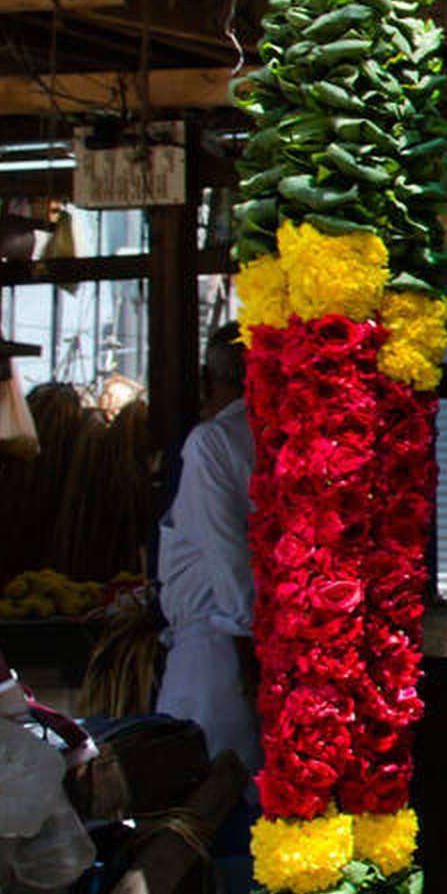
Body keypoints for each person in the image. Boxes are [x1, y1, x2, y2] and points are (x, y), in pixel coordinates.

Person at [155, 324, 259, 766]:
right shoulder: (267, 435)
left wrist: (245, 646)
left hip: (220, 652)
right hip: (247, 647)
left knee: (204, 800)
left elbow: (229, 554)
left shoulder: (212, 442)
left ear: (205, 379)